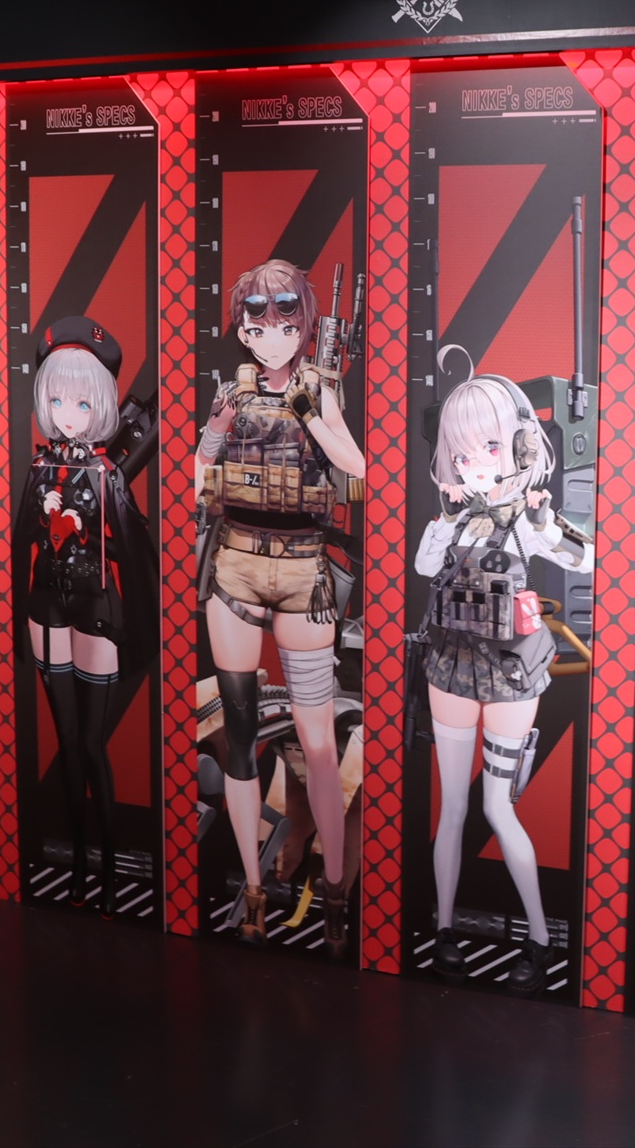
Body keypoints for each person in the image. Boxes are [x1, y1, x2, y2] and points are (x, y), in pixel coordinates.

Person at [196, 259, 365, 955]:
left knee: (318, 744)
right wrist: (214, 431)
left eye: (285, 321)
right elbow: (200, 477)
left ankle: (333, 893)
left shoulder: (319, 388)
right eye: (256, 321)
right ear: (242, 329)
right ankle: (253, 890)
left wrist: (309, 413)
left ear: (304, 327)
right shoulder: (231, 391)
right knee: (239, 737)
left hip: (302, 572)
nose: (270, 333)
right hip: (235, 565)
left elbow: (356, 471)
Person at [416, 350, 593, 993]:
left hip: (511, 671)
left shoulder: (528, 517)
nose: (473, 462)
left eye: (487, 446)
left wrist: (542, 519)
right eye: (461, 452)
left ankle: (539, 940)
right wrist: (448, 516)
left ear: (519, 446)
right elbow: (425, 565)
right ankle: (444, 930)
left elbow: (583, 558)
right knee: (453, 807)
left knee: (497, 806)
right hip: (451, 664)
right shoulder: (457, 516)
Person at [15, 316, 157, 916]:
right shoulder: (39, 469)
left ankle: (107, 873)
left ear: (98, 403)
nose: (68, 414)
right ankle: (76, 866)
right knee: (68, 742)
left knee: (93, 745)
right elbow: (21, 541)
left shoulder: (106, 474)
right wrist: (45, 509)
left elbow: (132, 551)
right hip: (46, 606)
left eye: (80, 402)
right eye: (57, 400)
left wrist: (91, 517)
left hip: (96, 608)